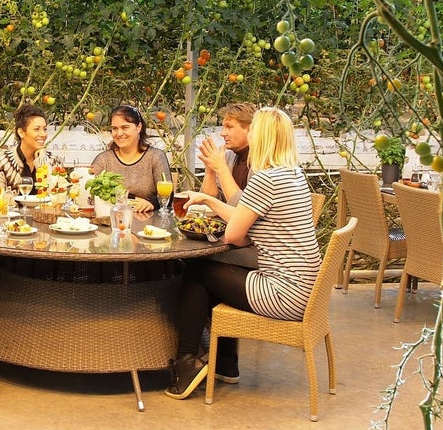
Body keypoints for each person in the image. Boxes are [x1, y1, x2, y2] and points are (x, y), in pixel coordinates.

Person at [166, 107, 320, 399]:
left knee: (197, 272)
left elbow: (236, 234)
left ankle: (186, 364)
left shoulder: (266, 179)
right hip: (305, 289)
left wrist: (210, 199)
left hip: (283, 293)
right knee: (212, 273)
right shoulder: (293, 175)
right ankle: (224, 363)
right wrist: (209, 201)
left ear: (261, 137)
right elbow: (244, 216)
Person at [90, 105, 171, 213]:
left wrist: (151, 203)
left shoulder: (155, 156)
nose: (119, 133)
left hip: (148, 223)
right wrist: (131, 198)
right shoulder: (103, 160)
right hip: (111, 221)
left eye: (125, 127)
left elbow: (168, 197)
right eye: (115, 128)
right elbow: (92, 195)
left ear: (138, 127)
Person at [0, 103, 62, 191]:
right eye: (37, 129)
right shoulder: (2, 164)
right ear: (21, 133)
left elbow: (59, 197)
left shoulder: (53, 161)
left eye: (45, 129)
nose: (43, 134)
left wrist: (43, 163)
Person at [198, 102, 256, 204]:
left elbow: (243, 209)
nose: (222, 133)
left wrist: (221, 169)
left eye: (229, 127)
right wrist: (210, 171)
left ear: (250, 129)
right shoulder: (228, 156)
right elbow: (208, 203)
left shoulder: (262, 162)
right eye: (223, 127)